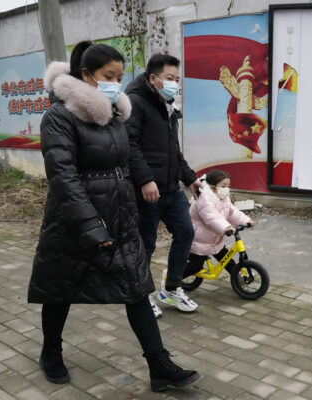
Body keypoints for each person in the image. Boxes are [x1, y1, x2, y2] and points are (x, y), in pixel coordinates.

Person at [28, 41, 199, 392]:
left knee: (137, 288)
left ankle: (160, 366)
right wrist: (91, 224)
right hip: (74, 222)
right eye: (109, 76)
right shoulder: (59, 117)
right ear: (87, 75)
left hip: (120, 217)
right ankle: (51, 352)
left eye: (120, 77)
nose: (116, 85)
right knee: (61, 289)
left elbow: (127, 163)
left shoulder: (114, 115)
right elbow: (63, 176)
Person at [125, 54, 201, 317]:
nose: (174, 84)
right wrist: (145, 180)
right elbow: (129, 145)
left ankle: (171, 289)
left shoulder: (168, 105)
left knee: (186, 233)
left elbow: (173, 151)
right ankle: (141, 295)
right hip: (146, 191)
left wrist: (190, 178)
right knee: (145, 244)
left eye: (177, 80)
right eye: (170, 79)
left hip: (171, 189)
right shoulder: (136, 103)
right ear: (154, 79)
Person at [184, 170, 254, 279]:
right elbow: (211, 218)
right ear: (212, 188)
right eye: (223, 186)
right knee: (195, 266)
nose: (226, 189)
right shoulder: (204, 199)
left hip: (214, 238)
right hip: (199, 239)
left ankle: (237, 276)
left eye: (228, 186)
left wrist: (245, 220)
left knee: (226, 258)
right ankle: (172, 279)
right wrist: (226, 227)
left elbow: (232, 211)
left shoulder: (223, 198)